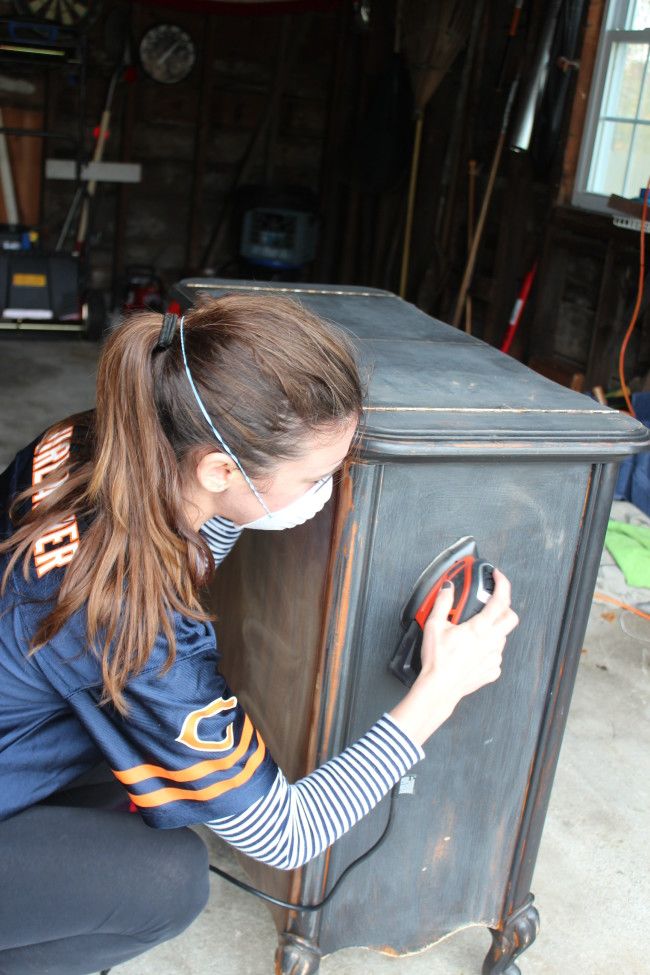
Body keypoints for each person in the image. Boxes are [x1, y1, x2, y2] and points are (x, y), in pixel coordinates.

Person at [0, 293, 518, 974]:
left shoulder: (103, 435)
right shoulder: (132, 618)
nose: (322, 492)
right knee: (171, 876)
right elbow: (286, 832)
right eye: (312, 477)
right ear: (219, 470)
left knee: (142, 777)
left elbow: (194, 532)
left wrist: (248, 501)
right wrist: (437, 693)